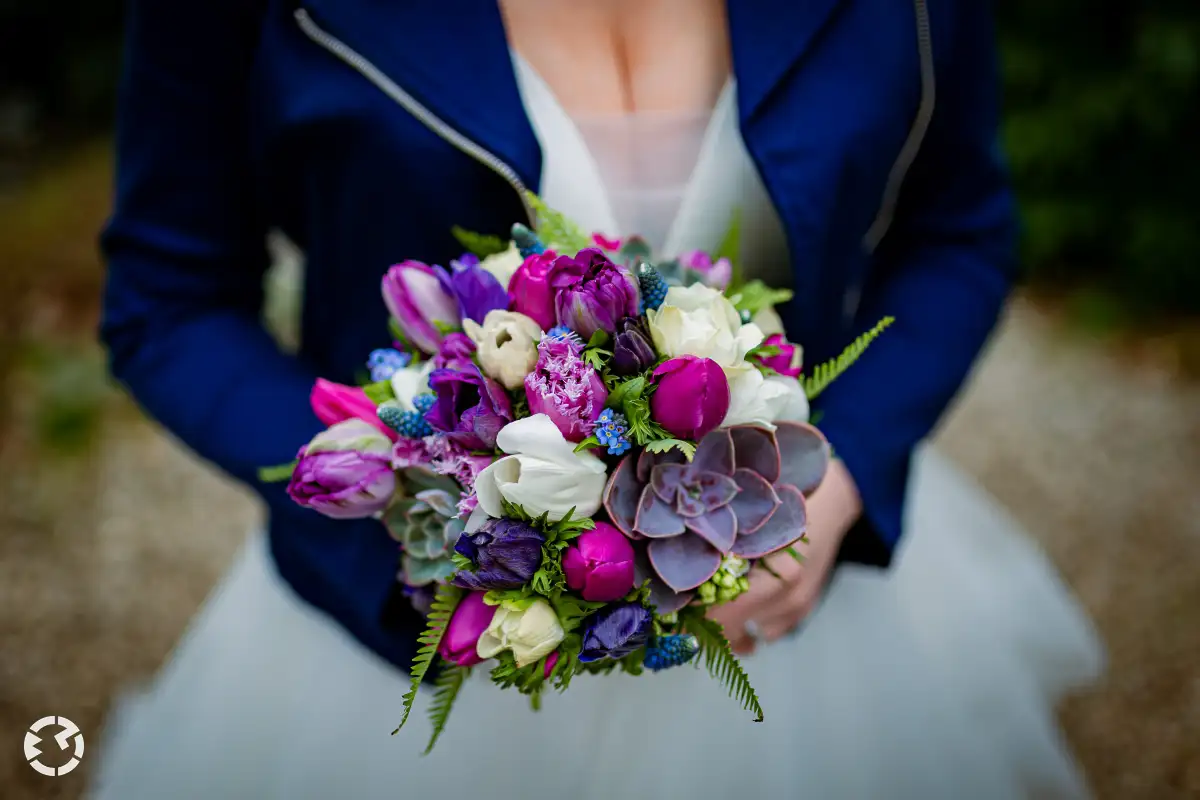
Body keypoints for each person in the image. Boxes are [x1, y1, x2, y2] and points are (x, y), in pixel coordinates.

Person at [91, 1, 1103, 798]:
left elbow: (958, 229)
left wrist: (840, 474)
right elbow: (168, 297)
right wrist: (403, 495)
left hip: (784, 590)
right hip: (413, 613)